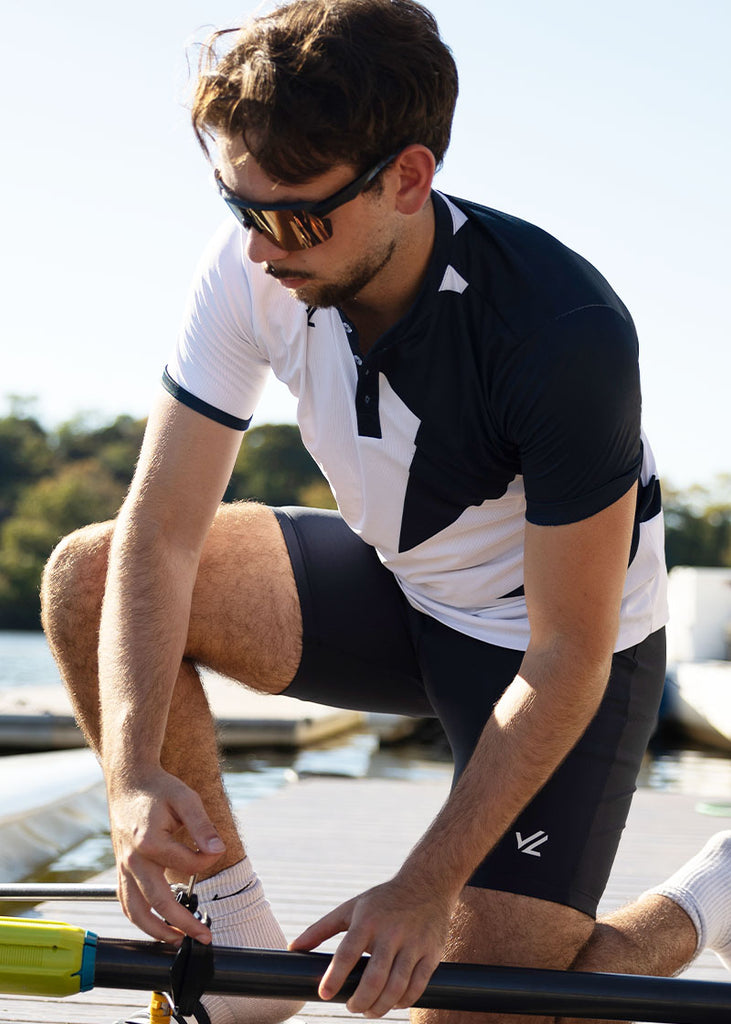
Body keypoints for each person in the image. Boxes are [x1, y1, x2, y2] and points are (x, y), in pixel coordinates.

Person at [40, 2, 731, 1023]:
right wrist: (132, 774)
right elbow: (162, 532)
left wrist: (420, 887)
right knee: (89, 575)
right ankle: (236, 955)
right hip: (397, 592)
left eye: (295, 219)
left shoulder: (562, 333)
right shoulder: (249, 262)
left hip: (553, 651)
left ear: (407, 178)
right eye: (239, 206)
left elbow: (566, 655)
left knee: (474, 1008)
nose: (260, 249)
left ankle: (703, 902)